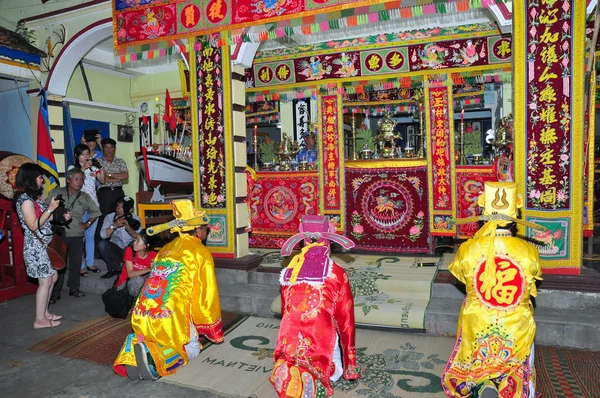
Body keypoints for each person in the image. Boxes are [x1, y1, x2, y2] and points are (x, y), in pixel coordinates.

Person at [441, 182, 544, 398]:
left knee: (473, 357)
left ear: (482, 214)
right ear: (515, 215)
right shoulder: (529, 251)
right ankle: (509, 385)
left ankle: (481, 382)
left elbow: (460, 276)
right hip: (515, 324)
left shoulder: (468, 249)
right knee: (517, 358)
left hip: (477, 321)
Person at [113, 199, 224, 381]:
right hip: (169, 317)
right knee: (193, 348)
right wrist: (212, 330)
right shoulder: (200, 252)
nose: (206, 230)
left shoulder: (165, 248)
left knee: (159, 333)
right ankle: (155, 359)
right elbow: (205, 296)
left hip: (142, 313)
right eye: (205, 227)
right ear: (197, 230)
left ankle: (137, 348)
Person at [270, 215, 361, 397]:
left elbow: (285, 312)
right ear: (327, 241)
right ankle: (315, 375)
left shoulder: (289, 271)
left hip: (289, 340)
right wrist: (350, 360)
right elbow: (346, 319)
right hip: (320, 337)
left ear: (303, 241)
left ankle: (291, 370)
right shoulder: (336, 272)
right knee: (334, 370)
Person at [14, 163, 70, 328]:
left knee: (52, 277)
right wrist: (51, 208)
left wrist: (60, 216)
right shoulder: (24, 201)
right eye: (39, 177)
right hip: (36, 247)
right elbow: (33, 224)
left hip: (45, 244)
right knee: (45, 281)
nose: (42, 181)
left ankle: (45, 313)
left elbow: (45, 218)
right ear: (31, 178)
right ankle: (39, 320)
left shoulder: (33, 199)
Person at [47, 168, 102, 301]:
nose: (79, 182)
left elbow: (96, 212)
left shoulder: (84, 196)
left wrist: (86, 224)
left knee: (76, 263)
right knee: (58, 263)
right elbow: (45, 210)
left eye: (82, 179)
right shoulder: (56, 192)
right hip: (59, 233)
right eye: (76, 179)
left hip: (77, 233)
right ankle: (55, 293)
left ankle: (74, 288)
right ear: (68, 180)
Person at [69, 144, 105, 276]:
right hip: (80, 207)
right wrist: (83, 169)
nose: (86, 157)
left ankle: (90, 263)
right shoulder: (73, 168)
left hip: (93, 206)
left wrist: (100, 168)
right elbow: (74, 183)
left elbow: (103, 180)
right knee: (80, 237)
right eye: (83, 154)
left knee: (90, 237)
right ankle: (81, 265)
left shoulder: (93, 167)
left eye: (87, 154)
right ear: (77, 156)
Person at [98, 197, 142, 279]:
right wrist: (114, 225)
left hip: (130, 250)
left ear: (130, 209)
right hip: (116, 249)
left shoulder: (135, 219)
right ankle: (114, 268)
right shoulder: (110, 217)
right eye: (118, 206)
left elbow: (139, 238)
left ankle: (129, 270)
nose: (118, 209)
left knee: (134, 245)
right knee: (102, 245)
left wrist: (129, 229)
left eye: (122, 207)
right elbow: (103, 235)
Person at [96, 137, 128, 245]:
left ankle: (120, 243)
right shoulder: (98, 162)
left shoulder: (120, 161)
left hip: (118, 193)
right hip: (104, 193)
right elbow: (101, 180)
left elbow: (125, 176)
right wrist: (117, 177)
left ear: (114, 149)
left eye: (111, 147)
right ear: (103, 149)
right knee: (103, 218)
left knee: (120, 216)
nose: (109, 150)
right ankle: (101, 246)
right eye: (106, 147)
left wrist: (108, 174)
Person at [114, 230, 158, 298]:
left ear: (146, 245)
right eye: (135, 239)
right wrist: (149, 269)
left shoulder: (154, 256)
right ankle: (134, 303)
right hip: (124, 285)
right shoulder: (130, 250)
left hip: (141, 285)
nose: (134, 242)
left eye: (138, 241)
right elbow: (130, 274)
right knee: (138, 280)